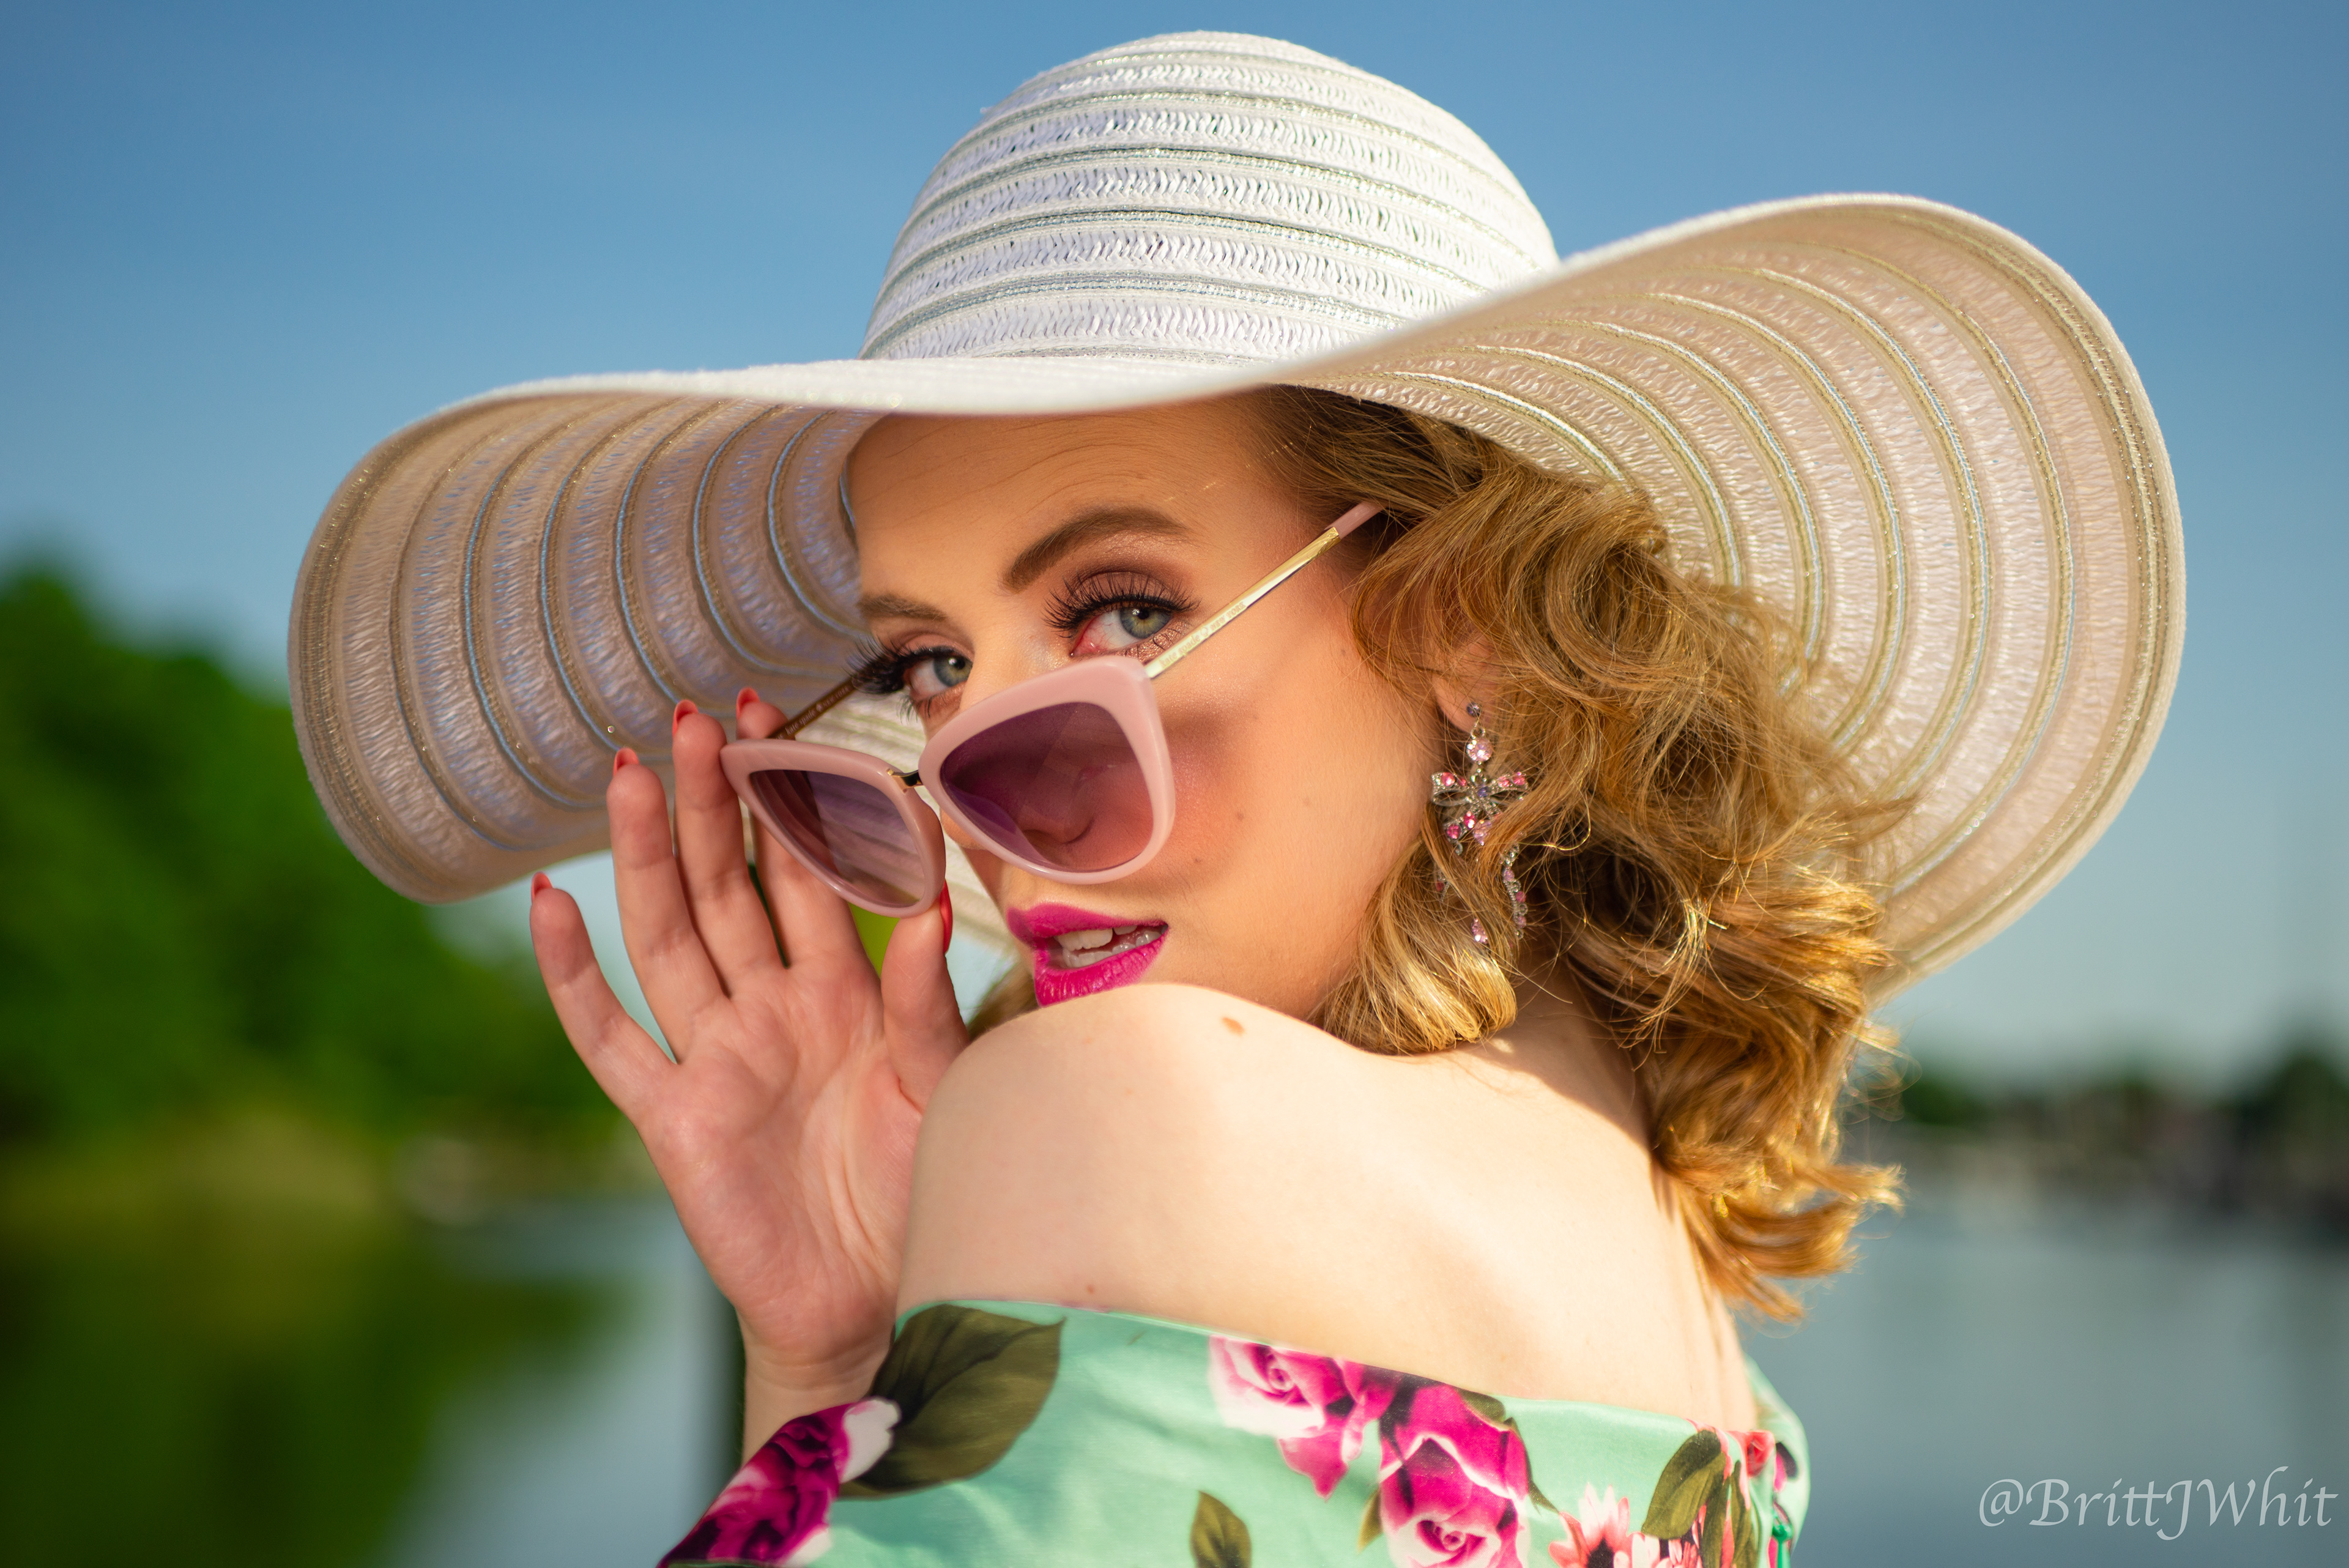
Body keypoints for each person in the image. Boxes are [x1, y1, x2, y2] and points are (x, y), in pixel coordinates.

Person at [286, 32, 2181, 1568]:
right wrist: (863, 1354)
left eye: (1122, 608)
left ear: (1471, 630)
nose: (977, 795)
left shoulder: (1108, 1103)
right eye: (928, 664)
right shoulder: (1690, 1299)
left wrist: (843, 1375)